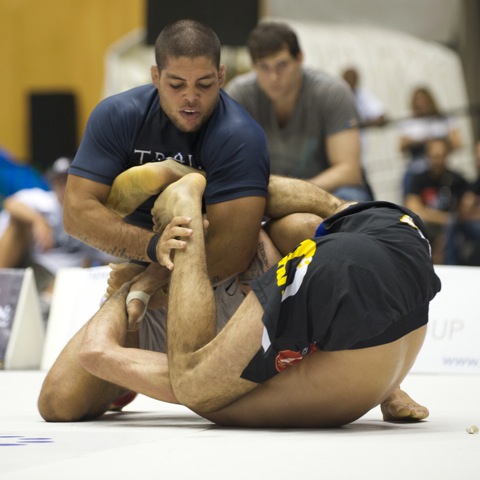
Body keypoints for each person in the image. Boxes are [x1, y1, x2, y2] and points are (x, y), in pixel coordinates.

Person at [37, 170, 440, 427]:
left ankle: (189, 198)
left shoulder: (227, 384)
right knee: (320, 215)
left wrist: (141, 284)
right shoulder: (145, 326)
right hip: (398, 236)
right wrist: (138, 283)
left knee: (196, 382)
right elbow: (66, 391)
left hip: (355, 296)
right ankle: (196, 187)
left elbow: (116, 360)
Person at [63, 19, 269, 287]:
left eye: (204, 84)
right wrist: (152, 247)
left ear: (221, 76)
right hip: (140, 247)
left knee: (282, 203)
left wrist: (150, 283)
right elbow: (75, 213)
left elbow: (232, 253)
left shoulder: (240, 135)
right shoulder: (117, 115)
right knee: (111, 316)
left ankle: (191, 180)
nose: (190, 97)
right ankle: (187, 177)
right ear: (155, 77)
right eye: (176, 85)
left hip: (205, 255)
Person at [225, 21, 374, 202]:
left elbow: (349, 171)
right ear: (254, 66)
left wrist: (294, 193)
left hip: (326, 190)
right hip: (266, 194)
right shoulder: (239, 95)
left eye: (282, 65)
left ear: (300, 59)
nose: (274, 77)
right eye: (264, 67)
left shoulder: (332, 93)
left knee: (350, 198)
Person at [0, 157, 109, 318]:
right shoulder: (43, 201)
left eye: (68, 181)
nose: (64, 187)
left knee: (86, 274)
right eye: (60, 182)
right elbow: (11, 204)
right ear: (52, 183)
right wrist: (37, 221)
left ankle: (44, 306)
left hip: (65, 278)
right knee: (18, 222)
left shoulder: (92, 216)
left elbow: (107, 260)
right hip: (32, 264)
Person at [404, 137, 470, 264]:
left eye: (442, 156)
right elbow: (413, 209)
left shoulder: (457, 180)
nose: (439, 161)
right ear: (427, 156)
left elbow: (463, 211)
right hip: (428, 226)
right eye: (435, 156)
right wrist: (445, 219)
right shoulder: (418, 179)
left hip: (453, 228)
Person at [398, 86, 461, 198]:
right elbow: (401, 146)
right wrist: (419, 141)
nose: (421, 104)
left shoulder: (442, 119)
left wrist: (439, 144)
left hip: (440, 166)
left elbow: (457, 142)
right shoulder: (410, 123)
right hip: (417, 167)